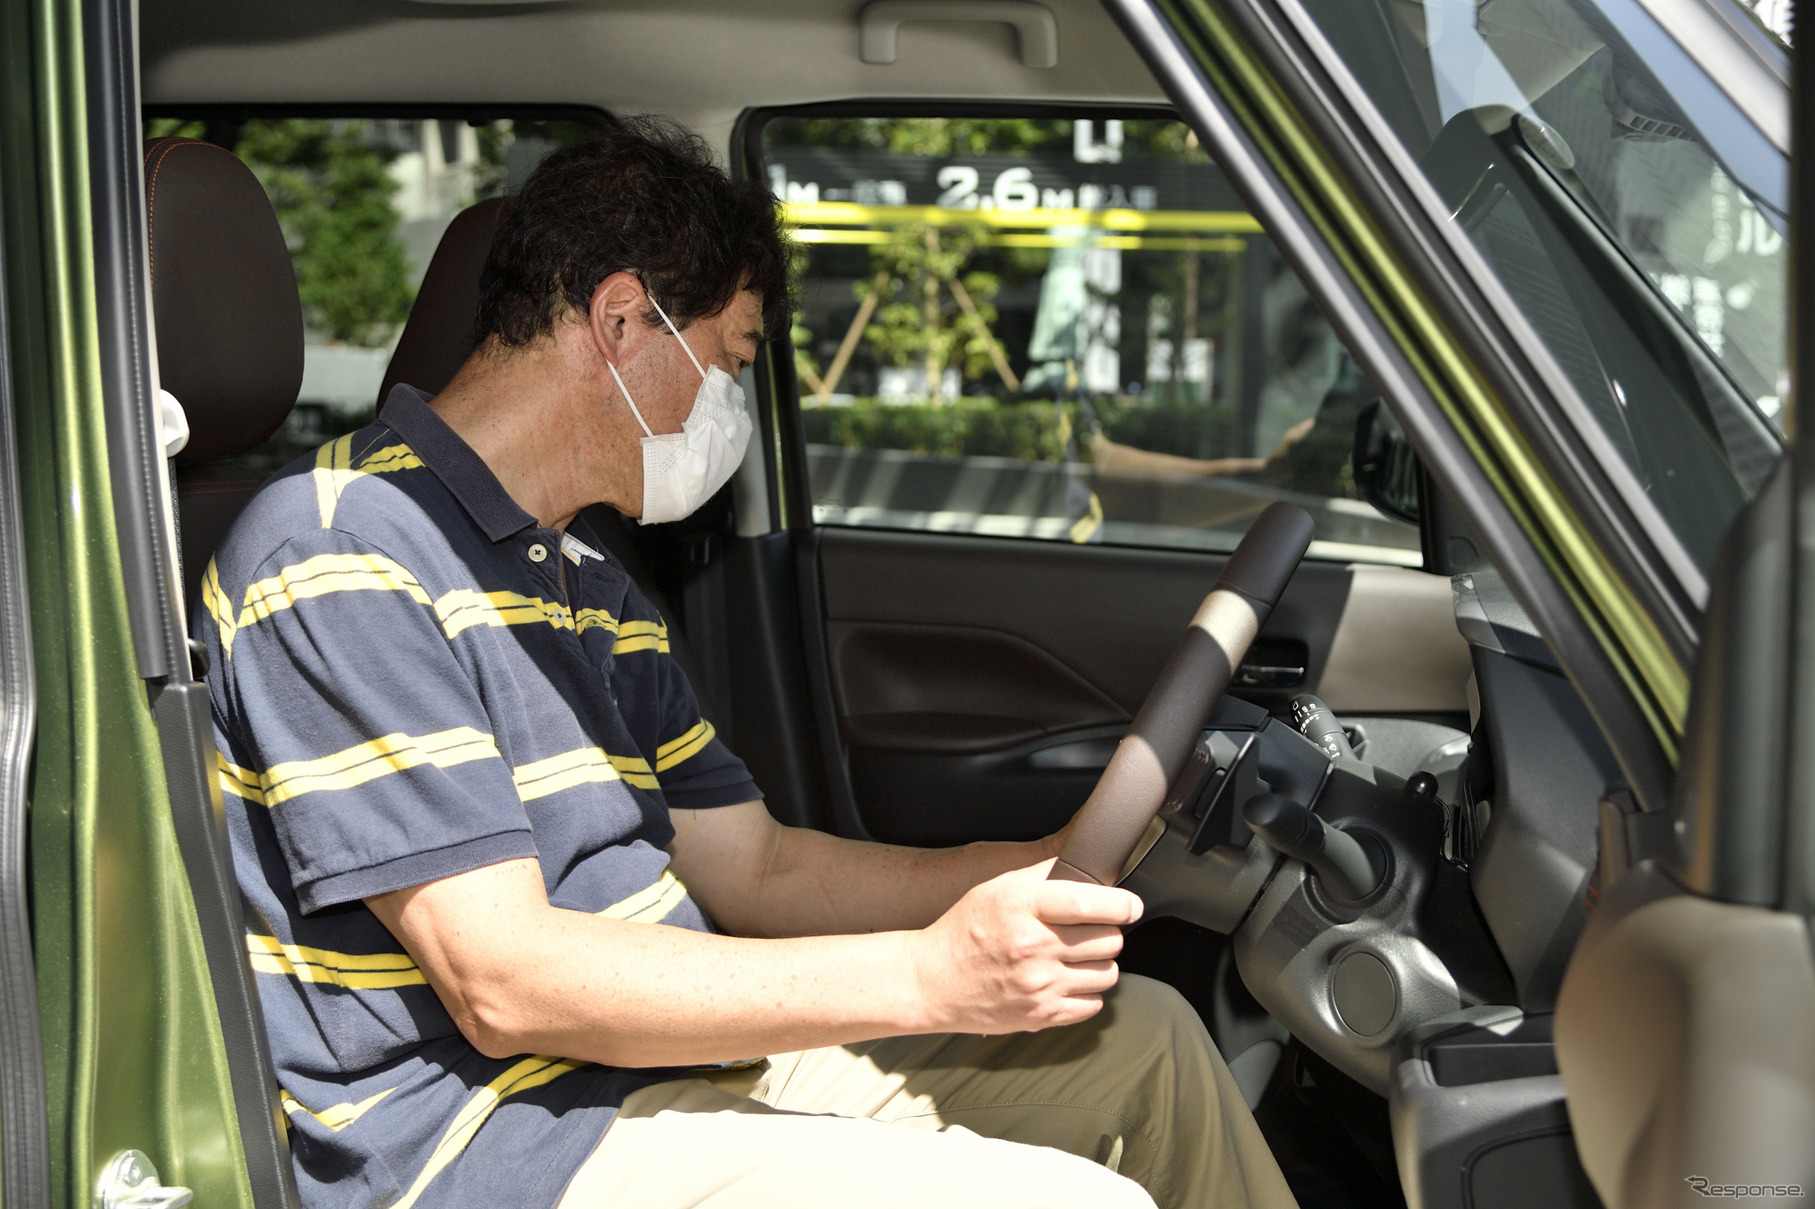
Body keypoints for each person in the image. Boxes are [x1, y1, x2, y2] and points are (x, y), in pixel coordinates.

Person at [199, 116, 1298, 1209]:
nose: (728, 410)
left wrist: (1046, 858)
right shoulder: (343, 547)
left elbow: (760, 871)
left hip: (654, 1072)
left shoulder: (587, 581)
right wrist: (929, 975)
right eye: (728, 362)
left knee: (1149, 1041)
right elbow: (505, 984)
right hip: (498, 1138)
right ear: (622, 319)